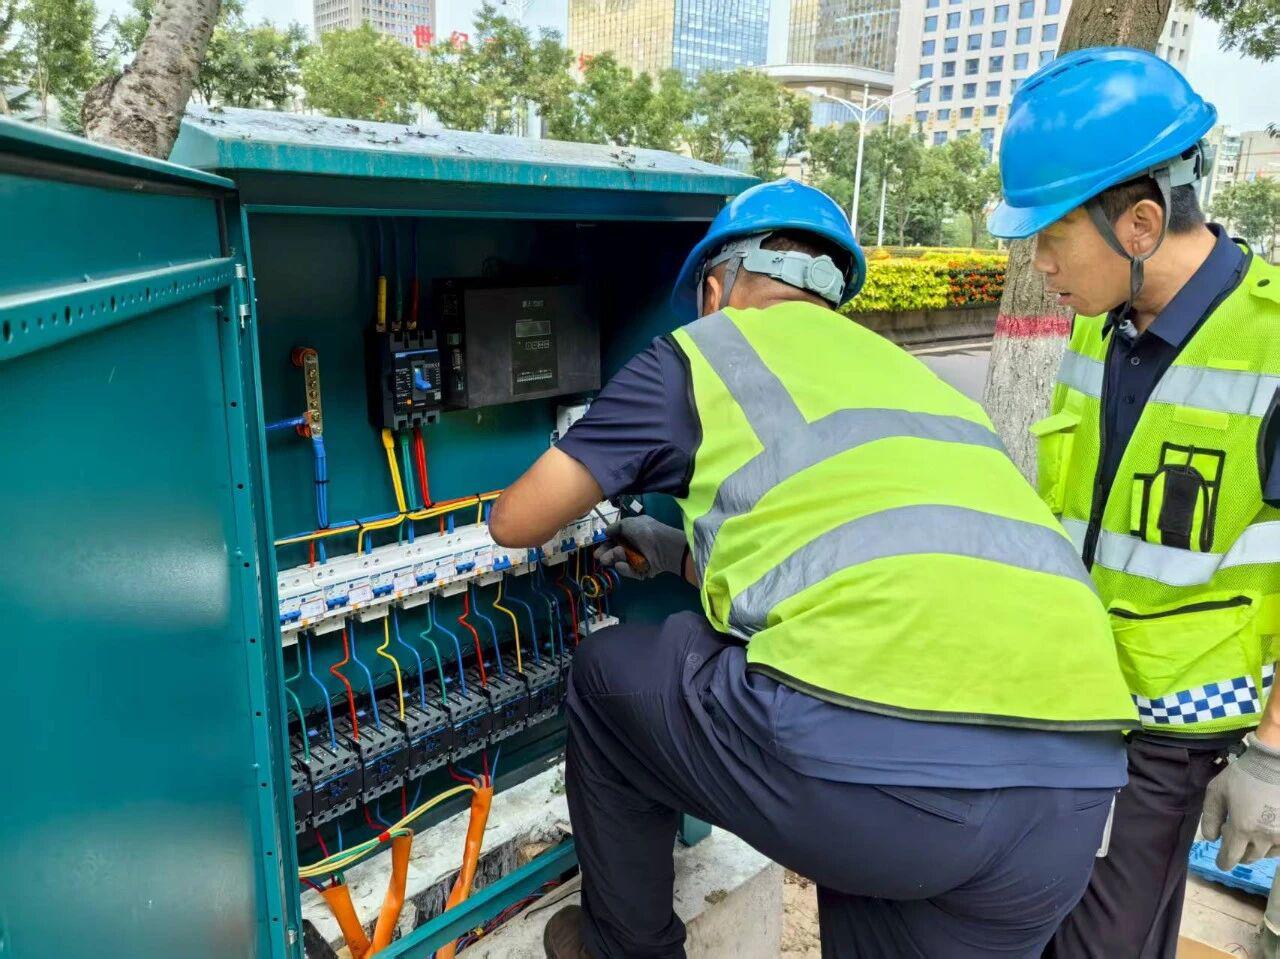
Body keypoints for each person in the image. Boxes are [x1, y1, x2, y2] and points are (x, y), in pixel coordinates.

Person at [489, 178, 1138, 959]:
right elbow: (849, 564)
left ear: (714, 288)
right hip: (1072, 794)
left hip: (879, 775)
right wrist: (673, 552)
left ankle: (626, 948)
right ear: (831, 293)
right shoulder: (911, 377)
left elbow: (516, 520)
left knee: (606, 678)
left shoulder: (707, 349)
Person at [986, 46, 1280, 959]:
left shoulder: (1271, 345)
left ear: (1141, 223)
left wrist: (1273, 752)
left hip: (1175, 730)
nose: (1040, 264)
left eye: (1052, 236)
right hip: (1075, 700)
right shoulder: (1097, 327)